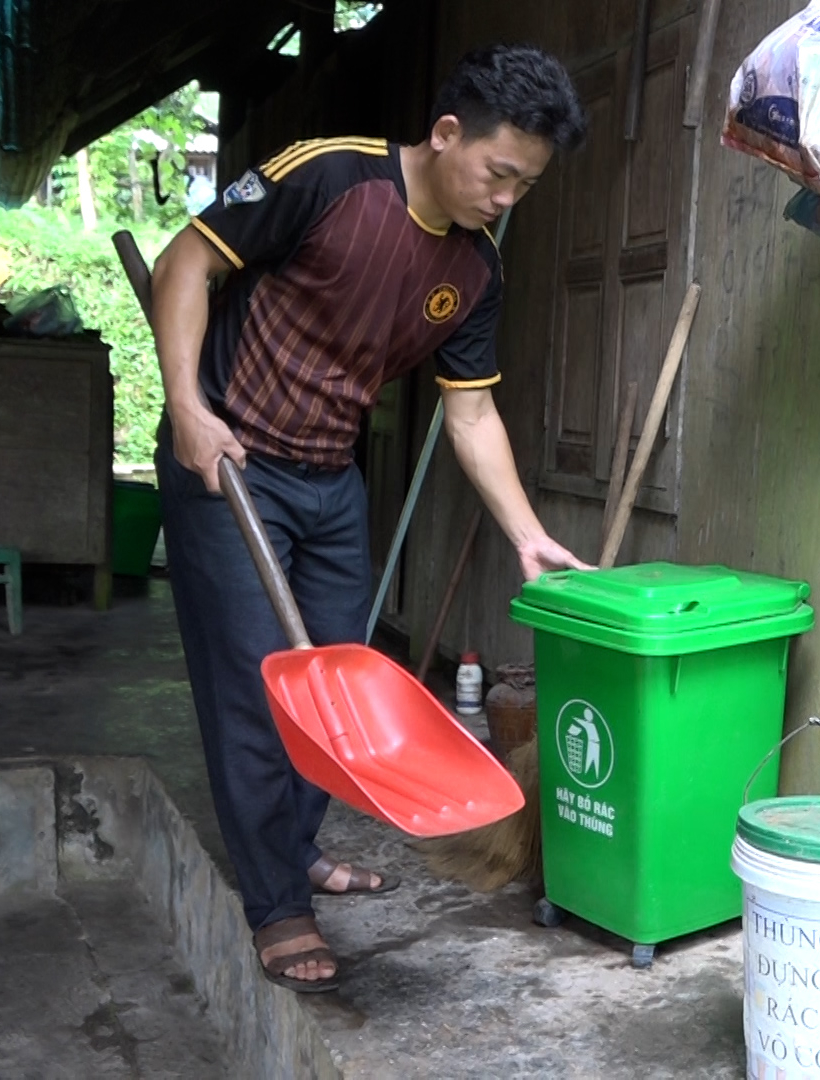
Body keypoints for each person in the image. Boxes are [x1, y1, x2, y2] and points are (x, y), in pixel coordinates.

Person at [149, 44, 590, 993]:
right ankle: (276, 905)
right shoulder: (327, 176)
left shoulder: (474, 275)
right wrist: (187, 408)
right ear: (445, 135)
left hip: (330, 481)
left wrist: (525, 534)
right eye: (498, 173)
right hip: (231, 463)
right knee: (258, 690)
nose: (507, 198)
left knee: (336, 690)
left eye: (527, 184)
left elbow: (470, 413)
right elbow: (184, 260)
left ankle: (295, 850)